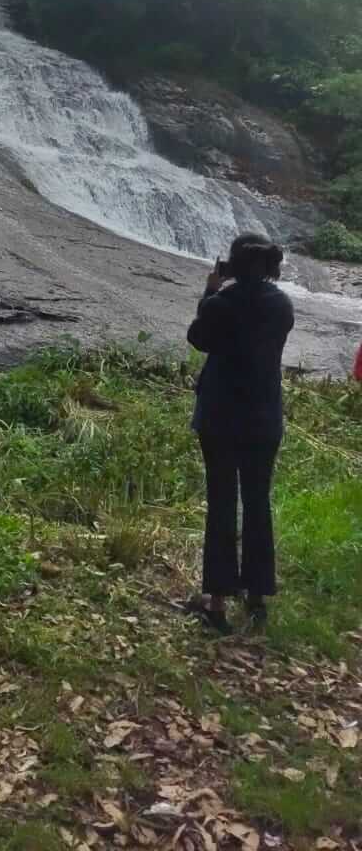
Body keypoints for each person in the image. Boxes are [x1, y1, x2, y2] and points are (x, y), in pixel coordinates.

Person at [186, 233, 294, 634]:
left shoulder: (221, 303)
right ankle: (257, 596)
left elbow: (198, 338)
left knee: (221, 502)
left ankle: (216, 604)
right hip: (263, 418)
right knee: (257, 501)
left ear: (233, 265)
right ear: (269, 267)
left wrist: (210, 291)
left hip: (220, 416)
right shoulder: (281, 305)